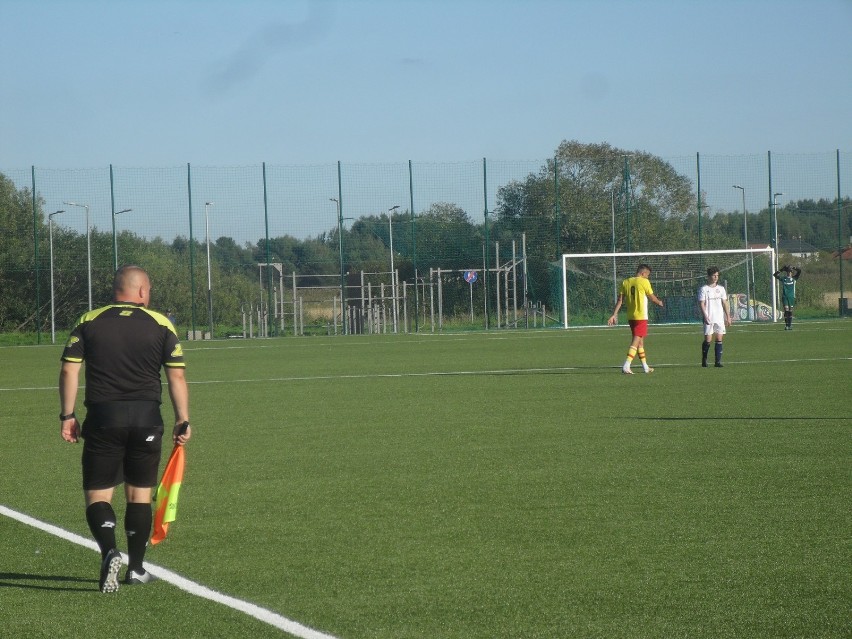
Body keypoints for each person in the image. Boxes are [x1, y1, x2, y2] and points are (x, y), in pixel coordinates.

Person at [58, 265, 191, 593]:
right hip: (147, 419)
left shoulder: (89, 321)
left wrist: (67, 415)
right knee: (139, 495)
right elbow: (176, 376)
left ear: (116, 290)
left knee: (99, 494)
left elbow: (68, 371)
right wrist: (182, 419)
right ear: (143, 291)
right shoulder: (161, 324)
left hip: (104, 419)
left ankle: (108, 550)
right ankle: (136, 569)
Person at [607, 263, 665, 374]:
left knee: (640, 342)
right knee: (636, 340)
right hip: (641, 316)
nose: (648, 277)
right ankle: (626, 365)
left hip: (631, 316)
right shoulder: (644, 282)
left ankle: (645, 367)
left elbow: (620, 300)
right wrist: (659, 302)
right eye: (647, 275)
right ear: (643, 273)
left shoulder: (626, 282)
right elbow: (652, 297)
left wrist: (614, 314)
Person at [697, 266, 732, 367]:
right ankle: (704, 359)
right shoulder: (704, 289)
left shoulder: (721, 289)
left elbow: (725, 303)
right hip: (709, 317)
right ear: (708, 276)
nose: (716, 277)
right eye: (714, 275)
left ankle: (718, 362)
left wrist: (728, 316)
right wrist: (705, 316)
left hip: (719, 318)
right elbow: (701, 303)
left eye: (717, 275)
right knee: (708, 339)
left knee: (719, 338)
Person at [773, 265, 802, 330]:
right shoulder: (784, 279)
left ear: (792, 272)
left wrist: (794, 267)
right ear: (787, 272)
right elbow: (775, 275)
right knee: (786, 310)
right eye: (788, 271)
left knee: (790, 311)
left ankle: (790, 325)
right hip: (785, 296)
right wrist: (781, 269)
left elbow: (799, 271)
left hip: (791, 297)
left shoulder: (794, 279)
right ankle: (786, 325)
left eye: (790, 271)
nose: (789, 273)